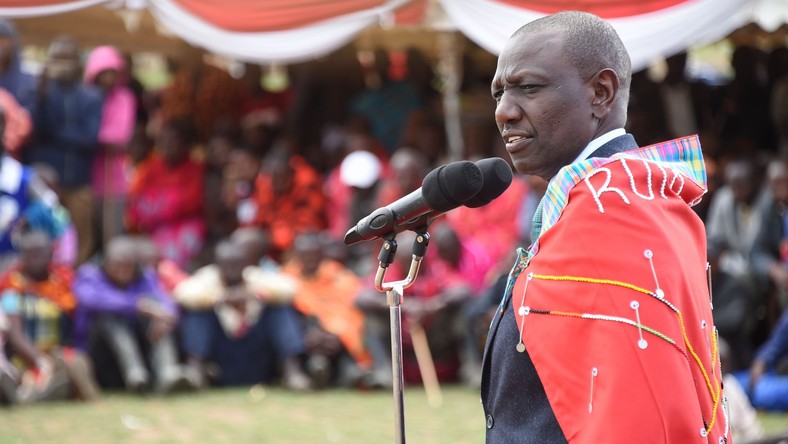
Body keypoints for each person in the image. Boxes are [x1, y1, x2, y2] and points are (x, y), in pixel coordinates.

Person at [482, 12, 727, 442]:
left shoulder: (615, 209)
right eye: (499, 93)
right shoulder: (617, 196)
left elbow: (635, 413)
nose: (504, 112)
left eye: (529, 88)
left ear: (601, 92)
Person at [173, 239, 310, 390]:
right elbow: (182, 293)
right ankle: (195, 374)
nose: (233, 269)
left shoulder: (255, 277)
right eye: (227, 264)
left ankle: (293, 373)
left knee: (280, 310)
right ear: (217, 265)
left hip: (256, 353)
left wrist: (255, 294)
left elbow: (290, 289)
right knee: (197, 314)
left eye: (237, 264)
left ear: (245, 264)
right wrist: (220, 298)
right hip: (222, 354)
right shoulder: (208, 277)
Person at [72, 235, 195, 394]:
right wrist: (138, 306)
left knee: (158, 319)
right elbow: (91, 300)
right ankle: (134, 374)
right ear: (106, 262)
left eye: (128, 266)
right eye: (117, 265)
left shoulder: (145, 276)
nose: (122, 272)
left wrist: (165, 318)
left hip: (142, 347)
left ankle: (167, 374)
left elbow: (165, 301)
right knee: (110, 318)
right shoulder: (89, 274)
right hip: (99, 356)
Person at [26, 35, 103, 265]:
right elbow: (36, 130)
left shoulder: (91, 96)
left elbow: (90, 138)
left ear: (77, 62)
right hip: (46, 185)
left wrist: (57, 132)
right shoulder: (39, 92)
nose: (62, 64)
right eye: (56, 58)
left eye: (66, 58)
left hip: (78, 183)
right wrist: (41, 98)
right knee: (44, 235)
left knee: (81, 239)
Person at [0, 231, 99, 403]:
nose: (35, 259)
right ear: (21, 256)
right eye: (29, 254)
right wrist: (40, 361)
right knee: (33, 378)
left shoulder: (64, 284)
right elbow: (16, 336)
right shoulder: (12, 288)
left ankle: (68, 386)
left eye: (40, 253)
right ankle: (35, 393)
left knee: (75, 362)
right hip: (26, 357)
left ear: (52, 253)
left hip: (59, 352)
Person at [283, 232, 370, 388]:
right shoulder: (285, 278)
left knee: (353, 330)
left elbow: (351, 311)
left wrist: (334, 333)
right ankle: (302, 372)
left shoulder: (340, 276)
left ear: (322, 255)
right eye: (305, 255)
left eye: (314, 255)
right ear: (297, 256)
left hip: (337, 336)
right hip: (305, 334)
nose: (310, 260)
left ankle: (349, 372)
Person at [83, 45, 137, 248]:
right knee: (87, 236)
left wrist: (90, 138)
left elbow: (120, 137)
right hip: (86, 176)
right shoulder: (85, 96)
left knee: (111, 234)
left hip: (112, 177)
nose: (108, 79)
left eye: (112, 74)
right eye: (103, 74)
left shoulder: (125, 98)